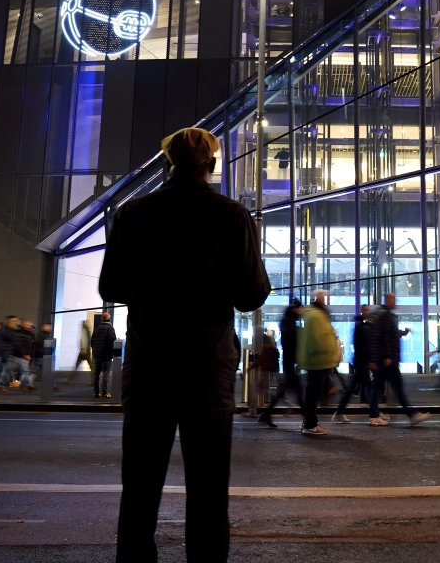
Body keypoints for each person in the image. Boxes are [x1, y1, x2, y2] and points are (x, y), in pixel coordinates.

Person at [98, 126, 270, 563]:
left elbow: (110, 284)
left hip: (149, 363)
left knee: (139, 485)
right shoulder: (230, 215)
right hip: (206, 366)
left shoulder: (133, 212)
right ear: (212, 166)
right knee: (209, 488)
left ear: (167, 164)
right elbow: (252, 294)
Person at [368, 293, 430, 427]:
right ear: (388, 300)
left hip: (385, 359)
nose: (396, 301)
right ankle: (411, 414)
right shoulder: (384, 315)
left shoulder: (384, 314)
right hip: (387, 360)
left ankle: (375, 415)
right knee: (396, 387)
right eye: (393, 299)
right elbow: (383, 337)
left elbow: (390, 335)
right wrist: (388, 356)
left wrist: (402, 333)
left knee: (379, 387)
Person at [299, 291, 340, 436]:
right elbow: (321, 339)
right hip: (318, 360)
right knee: (314, 393)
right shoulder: (316, 315)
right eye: (326, 297)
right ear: (319, 299)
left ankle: (310, 421)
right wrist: (332, 354)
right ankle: (310, 424)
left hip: (318, 360)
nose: (328, 300)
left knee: (314, 393)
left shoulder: (316, 314)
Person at [260, 298, 305, 427]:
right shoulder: (289, 323)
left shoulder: (287, 322)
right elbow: (292, 341)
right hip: (289, 361)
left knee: (286, 391)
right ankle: (308, 419)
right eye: (298, 308)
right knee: (299, 391)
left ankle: (266, 414)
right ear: (294, 309)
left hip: (289, 361)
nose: (300, 311)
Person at [334, 305, 372, 423]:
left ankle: (340, 411)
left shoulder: (360, 325)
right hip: (362, 362)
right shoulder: (362, 326)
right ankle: (375, 413)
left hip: (361, 361)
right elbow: (364, 346)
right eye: (366, 310)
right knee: (368, 387)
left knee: (357, 387)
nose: (368, 312)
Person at [0, 316, 30, 393]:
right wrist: (24, 354)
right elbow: (16, 343)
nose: (15, 323)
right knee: (6, 371)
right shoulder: (6, 331)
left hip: (15, 354)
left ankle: (26, 385)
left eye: (16, 321)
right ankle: (0, 386)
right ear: (9, 322)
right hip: (10, 354)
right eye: (13, 321)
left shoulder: (16, 331)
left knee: (24, 370)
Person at [90, 312, 117, 398]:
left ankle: (96, 393)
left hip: (97, 355)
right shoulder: (110, 328)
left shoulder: (97, 328)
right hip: (106, 355)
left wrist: (95, 351)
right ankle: (104, 392)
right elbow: (113, 340)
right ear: (110, 319)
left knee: (96, 375)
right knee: (105, 374)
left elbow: (92, 341)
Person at [67, 318, 92, 384]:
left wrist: (83, 349)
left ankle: (70, 379)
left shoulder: (83, 330)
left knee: (77, 364)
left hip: (84, 350)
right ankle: (93, 380)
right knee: (91, 366)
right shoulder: (88, 330)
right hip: (88, 349)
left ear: (83, 323)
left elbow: (84, 340)